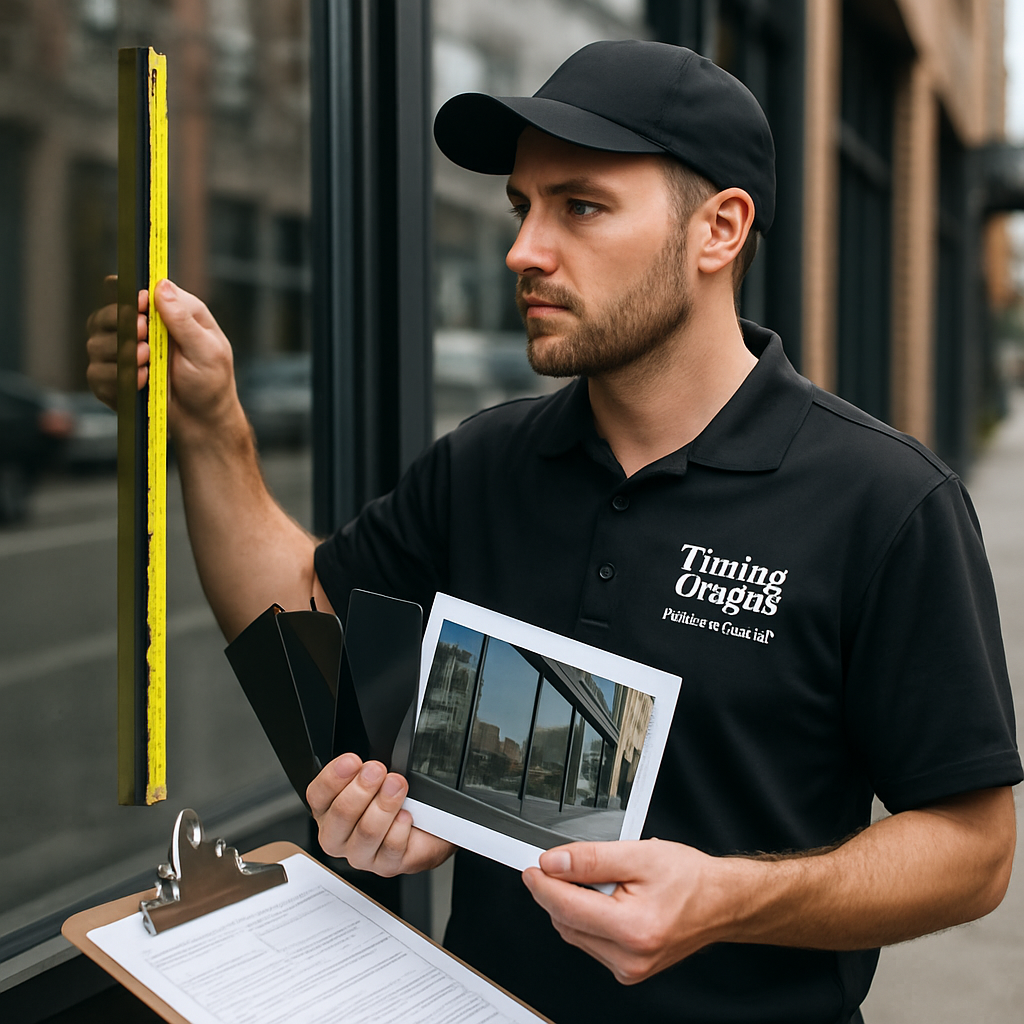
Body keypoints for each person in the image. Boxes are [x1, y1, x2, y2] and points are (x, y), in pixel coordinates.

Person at [87, 40, 1020, 1024]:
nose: (524, 250)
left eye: (580, 207)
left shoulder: (884, 499)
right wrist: (212, 430)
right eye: (521, 208)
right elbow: (301, 624)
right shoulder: (486, 463)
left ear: (719, 230)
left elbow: (974, 848)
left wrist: (728, 898)